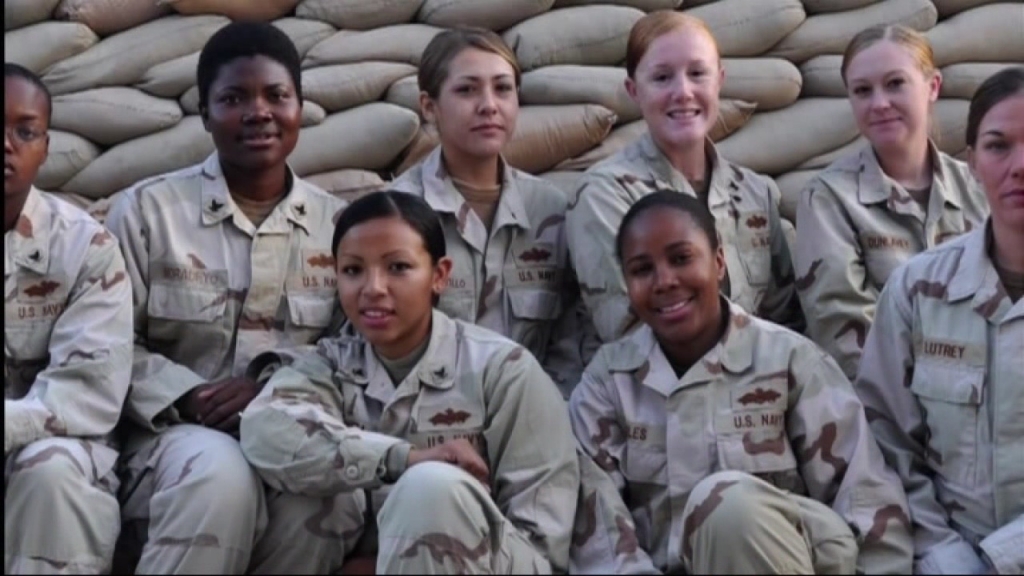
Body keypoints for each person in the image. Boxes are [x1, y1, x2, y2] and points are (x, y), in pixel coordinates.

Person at [104, 22, 347, 574]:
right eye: (234, 98)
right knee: (219, 470)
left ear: (300, 107)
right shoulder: (146, 214)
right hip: (168, 443)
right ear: (206, 115)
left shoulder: (339, 227)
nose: (258, 112)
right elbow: (108, 344)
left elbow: (353, 350)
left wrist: (269, 387)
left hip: (293, 428)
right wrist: (190, 397)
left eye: (276, 96)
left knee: (330, 495)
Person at [570, 190, 914, 574]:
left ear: (719, 262)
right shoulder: (608, 384)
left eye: (682, 258)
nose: (664, 280)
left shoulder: (790, 363)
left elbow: (868, 505)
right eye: (641, 269)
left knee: (729, 507)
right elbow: (600, 538)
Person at [237, 191, 580, 574]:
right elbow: (265, 429)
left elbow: (541, 540)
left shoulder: (504, 370)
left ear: (439, 276)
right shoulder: (328, 363)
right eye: (353, 270)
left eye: (398, 267)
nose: (373, 288)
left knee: (430, 488)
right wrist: (404, 459)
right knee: (308, 488)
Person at [854, 66, 1024, 575]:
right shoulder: (918, 290)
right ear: (971, 163)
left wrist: (1001, 561)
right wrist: (942, 553)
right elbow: (884, 440)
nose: (1019, 166)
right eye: (998, 146)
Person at [566, 11, 803, 345]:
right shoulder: (606, 194)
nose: (683, 92)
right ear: (634, 91)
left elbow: (786, 318)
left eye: (697, 74)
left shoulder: (753, 192)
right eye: (662, 78)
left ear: (719, 80)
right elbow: (633, 338)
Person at [390, 27, 591, 397]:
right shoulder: (394, 214)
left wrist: (547, 417)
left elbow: (573, 337)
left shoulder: (552, 211)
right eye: (466, 90)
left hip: (536, 420)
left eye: (502, 88)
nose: (489, 105)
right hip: (427, 430)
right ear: (428, 106)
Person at [795, 24, 989, 379]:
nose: (879, 103)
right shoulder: (830, 199)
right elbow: (845, 335)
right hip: (889, 414)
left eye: (895, 83)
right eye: (862, 91)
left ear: (933, 87)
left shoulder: (980, 188)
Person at [4, 63, 133, 574]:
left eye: (24, 131)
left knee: (50, 474)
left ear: (46, 146)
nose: (6, 144)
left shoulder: (87, 248)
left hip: (52, 440)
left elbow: (84, 392)